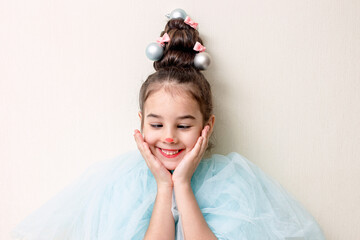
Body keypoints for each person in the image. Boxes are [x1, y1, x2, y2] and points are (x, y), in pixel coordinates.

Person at [12, 10, 325, 240]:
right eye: (156, 124)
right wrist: (164, 185)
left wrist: (183, 185)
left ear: (207, 125)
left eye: (184, 126)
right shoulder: (122, 187)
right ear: (141, 123)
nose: (169, 138)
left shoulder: (232, 186)